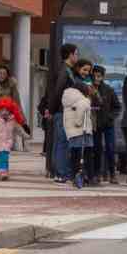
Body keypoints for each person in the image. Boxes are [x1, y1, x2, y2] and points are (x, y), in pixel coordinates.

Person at [42, 44, 79, 182]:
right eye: (76, 53)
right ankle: (61, 173)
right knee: (62, 142)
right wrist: (51, 110)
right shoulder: (65, 70)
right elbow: (58, 91)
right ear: (70, 55)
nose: (77, 56)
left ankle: (60, 172)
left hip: (61, 111)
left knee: (60, 142)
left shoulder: (67, 70)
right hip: (62, 111)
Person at [0, 96, 30, 180]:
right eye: (2, 110)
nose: (5, 112)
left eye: (7, 110)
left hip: (6, 143)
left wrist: (25, 135)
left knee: (3, 157)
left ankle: (3, 172)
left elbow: (18, 129)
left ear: (10, 110)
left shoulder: (12, 119)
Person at [90, 65, 120, 184]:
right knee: (96, 149)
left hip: (108, 125)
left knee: (110, 148)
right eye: (95, 76)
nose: (97, 78)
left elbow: (117, 107)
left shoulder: (108, 90)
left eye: (99, 76)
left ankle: (112, 173)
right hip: (95, 125)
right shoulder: (89, 88)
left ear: (103, 76)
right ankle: (97, 173)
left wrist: (110, 117)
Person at [63, 77, 95, 189]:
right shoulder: (83, 100)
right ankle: (88, 177)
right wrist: (78, 122)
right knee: (87, 155)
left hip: (71, 132)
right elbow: (81, 110)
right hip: (82, 131)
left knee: (75, 155)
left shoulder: (68, 98)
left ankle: (74, 176)